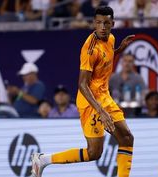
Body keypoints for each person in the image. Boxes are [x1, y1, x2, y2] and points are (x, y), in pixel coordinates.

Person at [30, 6, 135, 177]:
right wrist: (100, 111)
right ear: (94, 23)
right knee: (94, 153)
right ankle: (43, 160)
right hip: (90, 101)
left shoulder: (111, 39)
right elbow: (82, 84)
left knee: (127, 138)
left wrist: (119, 50)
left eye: (106, 23)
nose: (102, 27)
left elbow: (104, 60)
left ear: (112, 24)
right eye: (99, 23)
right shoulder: (89, 49)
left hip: (104, 96)